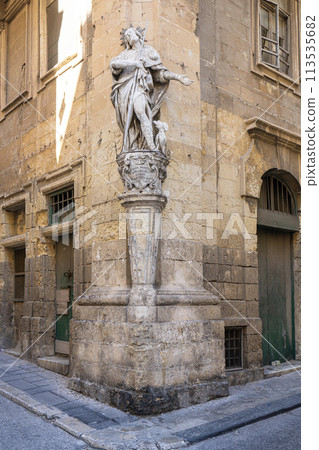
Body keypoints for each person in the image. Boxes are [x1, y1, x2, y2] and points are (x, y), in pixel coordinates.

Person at [110, 26, 192, 152]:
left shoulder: (148, 52)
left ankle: (151, 147)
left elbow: (160, 74)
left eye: (131, 33)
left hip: (139, 89)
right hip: (124, 91)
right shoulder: (124, 54)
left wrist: (178, 77)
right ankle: (132, 147)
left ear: (138, 35)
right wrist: (135, 63)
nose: (129, 37)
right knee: (130, 122)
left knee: (141, 112)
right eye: (126, 36)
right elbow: (114, 64)